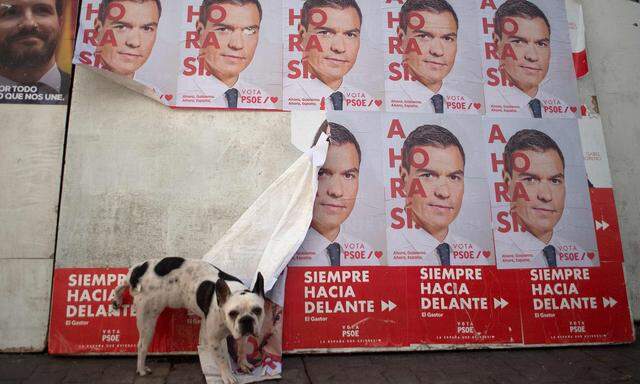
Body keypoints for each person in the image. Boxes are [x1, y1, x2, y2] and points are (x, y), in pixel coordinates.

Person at [390, 125, 491, 266]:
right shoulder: (389, 251)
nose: (444, 193)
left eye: (454, 177)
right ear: (404, 177)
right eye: (428, 175)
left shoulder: (476, 257)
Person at [497, 129, 596, 268]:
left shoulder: (581, 258)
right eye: (530, 179)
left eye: (555, 180)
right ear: (507, 182)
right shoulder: (498, 253)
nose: (546, 196)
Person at [290, 121, 379, 267]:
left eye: (348, 175)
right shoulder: (281, 257)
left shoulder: (367, 257)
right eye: (322, 173)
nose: (336, 191)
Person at [386, 0, 479, 114]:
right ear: (401, 39)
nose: (438, 51)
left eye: (447, 38)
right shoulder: (386, 97)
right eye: (424, 36)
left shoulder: (468, 108)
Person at [284, 0, 378, 111]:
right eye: (325, 33)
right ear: (302, 35)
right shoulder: (284, 96)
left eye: (350, 34)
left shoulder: (369, 104)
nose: (339, 48)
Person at [178, 0, 273, 109]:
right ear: (200, 31)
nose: (237, 44)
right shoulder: (176, 94)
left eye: (249, 31)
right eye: (223, 29)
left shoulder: (264, 102)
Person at [488, 0, 574, 118]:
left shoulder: (564, 111)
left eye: (541, 44)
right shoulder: (488, 103)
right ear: (497, 43)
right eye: (518, 42)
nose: (532, 56)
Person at [0, 0, 71, 103]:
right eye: (11, 12)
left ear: (60, 23)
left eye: (42, 10)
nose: (29, 24)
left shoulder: (84, 93)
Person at [93, 0, 161, 81]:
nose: (134, 42)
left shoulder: (155, 92)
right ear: (98, 29)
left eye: (147, 28)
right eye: (121, 27)